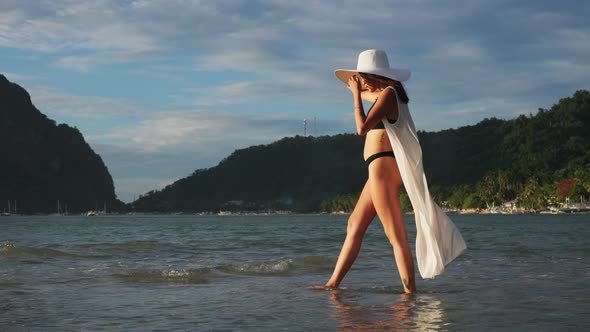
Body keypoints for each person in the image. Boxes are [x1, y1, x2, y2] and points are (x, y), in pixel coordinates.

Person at [315, 49, 466, 294]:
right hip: (378, 169)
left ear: (375, 75)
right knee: (355, 225)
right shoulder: (386, 94)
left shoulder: (388, 95)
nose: (362, 82)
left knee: (395, 233)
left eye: (364, 76)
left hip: (383, 168)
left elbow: (362, 128)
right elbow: (368, 94)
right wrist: (355, 88)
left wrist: (355, 95)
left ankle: (410, 293)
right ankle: (333, 284)